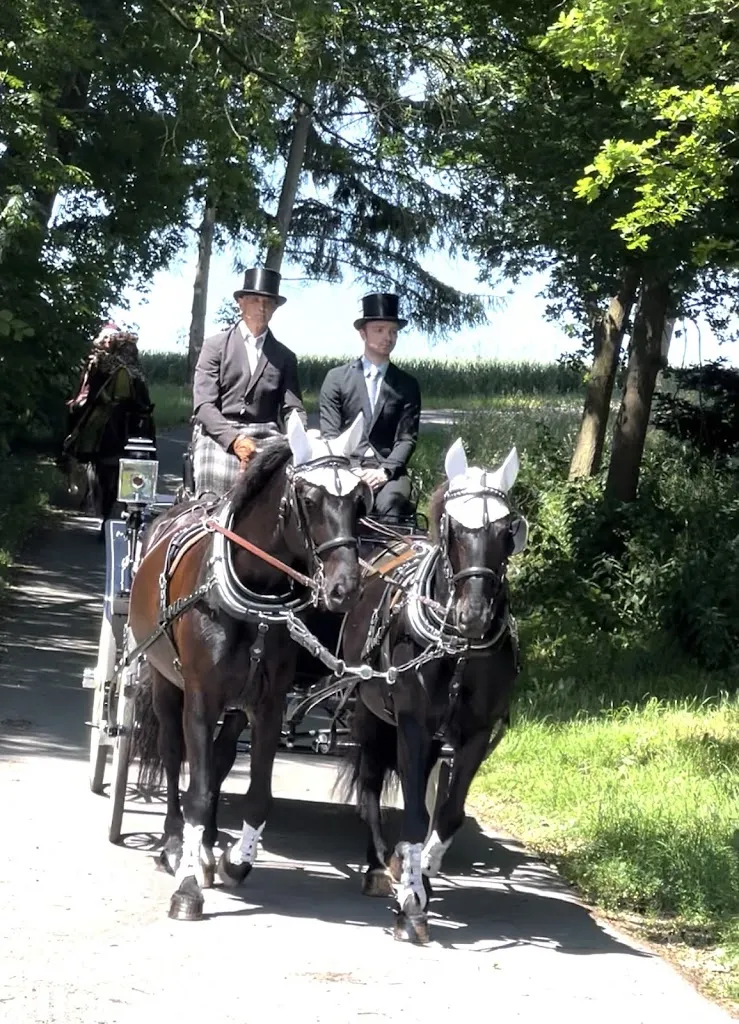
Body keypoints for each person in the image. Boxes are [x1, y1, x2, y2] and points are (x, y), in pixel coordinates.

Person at [191, 267, 307, 499]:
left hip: (267, 435)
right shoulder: (215, 346)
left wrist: (301, 434)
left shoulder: (285, 357)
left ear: (275, 308)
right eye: (255, 300)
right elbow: (203, 406)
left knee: (288, 496)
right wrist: (234, 439)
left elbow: (292, 408)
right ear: (241, 302)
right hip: (219, 434)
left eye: (268, 303)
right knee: (210, 501)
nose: (262, 308)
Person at [319, 292, 421, 522]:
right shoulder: (336, 379)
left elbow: (406, 439)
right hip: (343, 468)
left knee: (392, 506)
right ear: (363, 333)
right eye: (379, 330)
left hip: (388, 472)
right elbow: (330, 434)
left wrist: (384, 472)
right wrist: (352, 471)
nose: (388, 337)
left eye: (393, 331)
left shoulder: (407, 384)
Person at [63, 322, 155, 528]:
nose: (107, 342)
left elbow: (138, 393)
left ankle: (73, 448)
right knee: (78, 413)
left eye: (110, 339)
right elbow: (88, 388)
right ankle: (71, 449)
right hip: (119, 413)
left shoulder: (122, 365)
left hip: (124, 415)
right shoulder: (102, 362)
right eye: (104, 338)